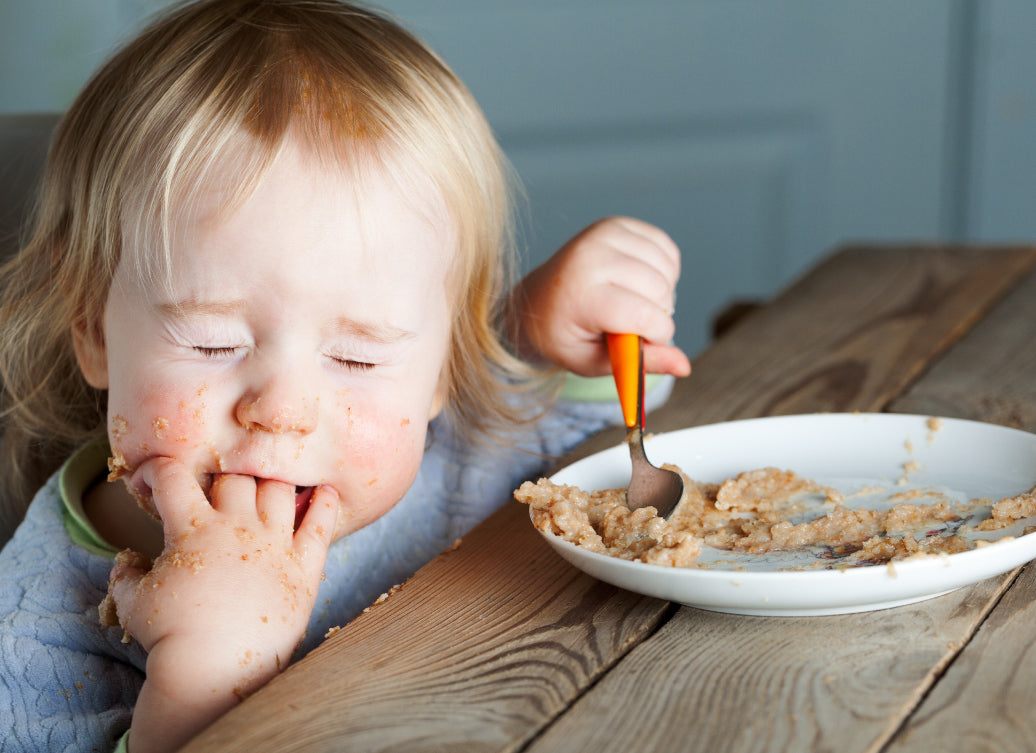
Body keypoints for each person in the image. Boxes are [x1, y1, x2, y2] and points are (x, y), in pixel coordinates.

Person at [0, 1, 690, 751]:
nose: (284, 411)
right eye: (212, 342)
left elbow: (590, 436)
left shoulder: (450, 456)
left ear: (440, 370)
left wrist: (544, 334)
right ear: (94, 327)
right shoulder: (40, 618)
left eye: (359, 357)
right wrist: (201, 679)